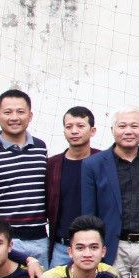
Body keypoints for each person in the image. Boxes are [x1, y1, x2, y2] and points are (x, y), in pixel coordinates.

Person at [81, 107, 139, 278]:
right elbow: (89, 212)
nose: (128, 131)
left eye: (134, 126)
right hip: (113, 244)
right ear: (112, 130)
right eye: (122, 126)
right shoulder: (93, 164)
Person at [0, 89, 50, 268]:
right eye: (8, 112)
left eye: (20, 112)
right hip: (3, 241)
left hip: (39, 239)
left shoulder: (40, 148)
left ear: (30, 116)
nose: (14, 117)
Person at [45, 106, 99, 268]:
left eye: (80, 126)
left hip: (94, 246)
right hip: (62, 247)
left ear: (93, 131)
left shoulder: (103, 161)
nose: (74, 131)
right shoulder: (52, 164)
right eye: (69, 126)